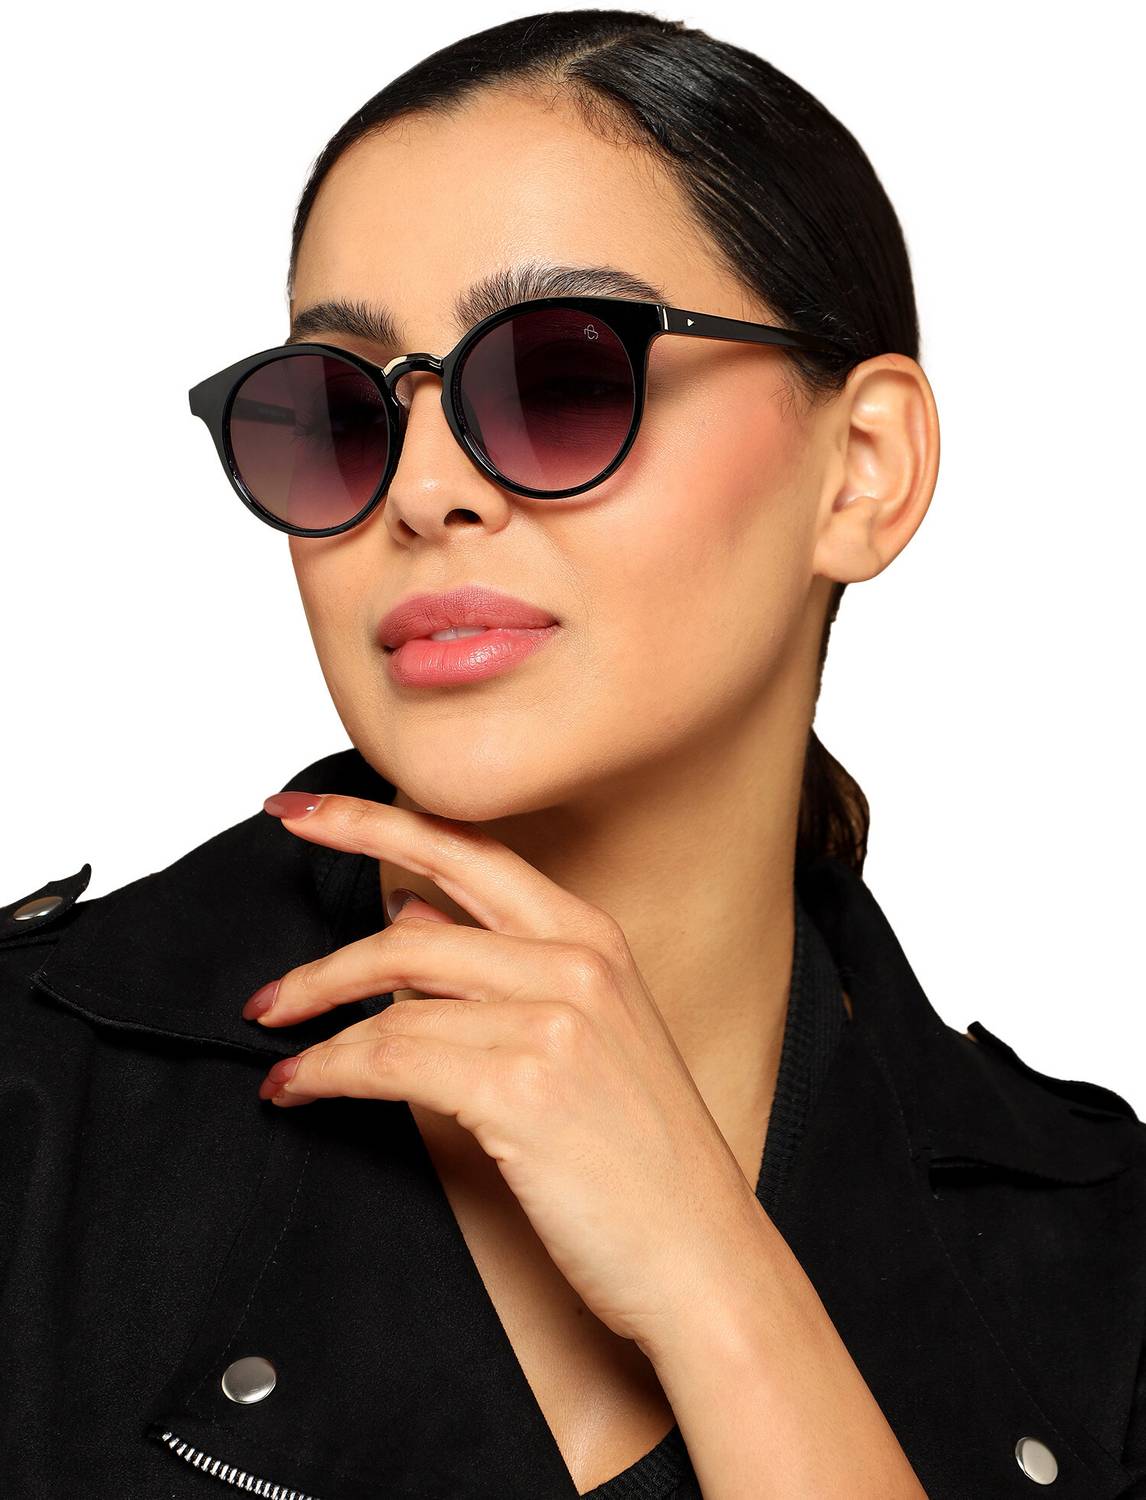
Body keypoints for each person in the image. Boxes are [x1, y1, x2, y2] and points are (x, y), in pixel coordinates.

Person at [2, 10, 1144, 1498]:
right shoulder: (31, 1110)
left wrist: (716, 1282)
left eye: (560, 379)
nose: (421, 490)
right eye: (339, 409)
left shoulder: (1107, 1264)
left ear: (860, 471)